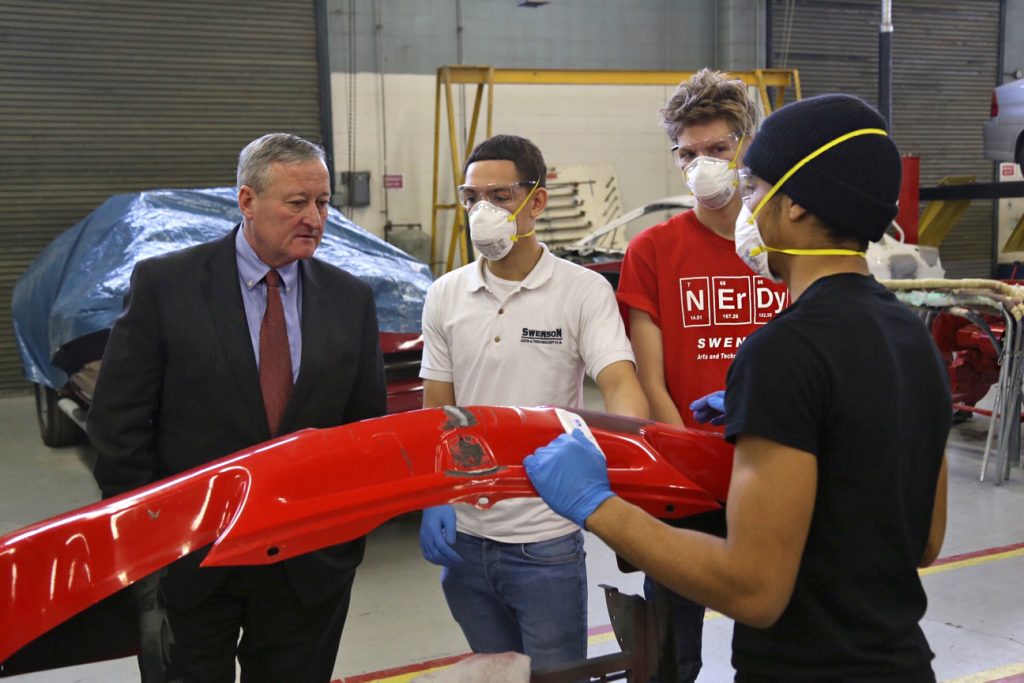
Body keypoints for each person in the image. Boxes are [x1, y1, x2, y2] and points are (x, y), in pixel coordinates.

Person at [524, 94, 951, 682]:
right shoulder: (913, 336)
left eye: (753, 188)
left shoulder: (782, 349)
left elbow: (753, 590)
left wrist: (601, 507)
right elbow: (924, 543)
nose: (746, 207)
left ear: (795, 205)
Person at [87, 133, 387, 683]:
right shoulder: (166, 285)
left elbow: (365, 431)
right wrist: (148, 545)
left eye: (323, 203)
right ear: (247, 201)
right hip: (192, 561)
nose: (315, 218)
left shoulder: (350, 299)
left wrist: (343, 541)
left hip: (308, 567)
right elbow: (119, 424)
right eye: (297, 203)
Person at [417, 134, 649, 670]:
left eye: (498, 198)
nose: (481, 212)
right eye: (471, 198)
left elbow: (619, 383)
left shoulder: (582, 290)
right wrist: (431, 494)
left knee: (554, 675)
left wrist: (627, 463)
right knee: (495, 673)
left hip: (545, 537)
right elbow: (436, 410)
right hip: (466, 538)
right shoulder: (445, 294)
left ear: (536, 201)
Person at [616, 69, 789, 682]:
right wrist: (687, 455)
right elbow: (649, 378)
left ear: (748, 145)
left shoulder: (786, 244)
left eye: (718, 150)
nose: (703, 166)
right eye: (688, 154)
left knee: (777, 644)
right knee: (672, 655)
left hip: (776, 468)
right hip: (686, 475)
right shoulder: (652, 251)